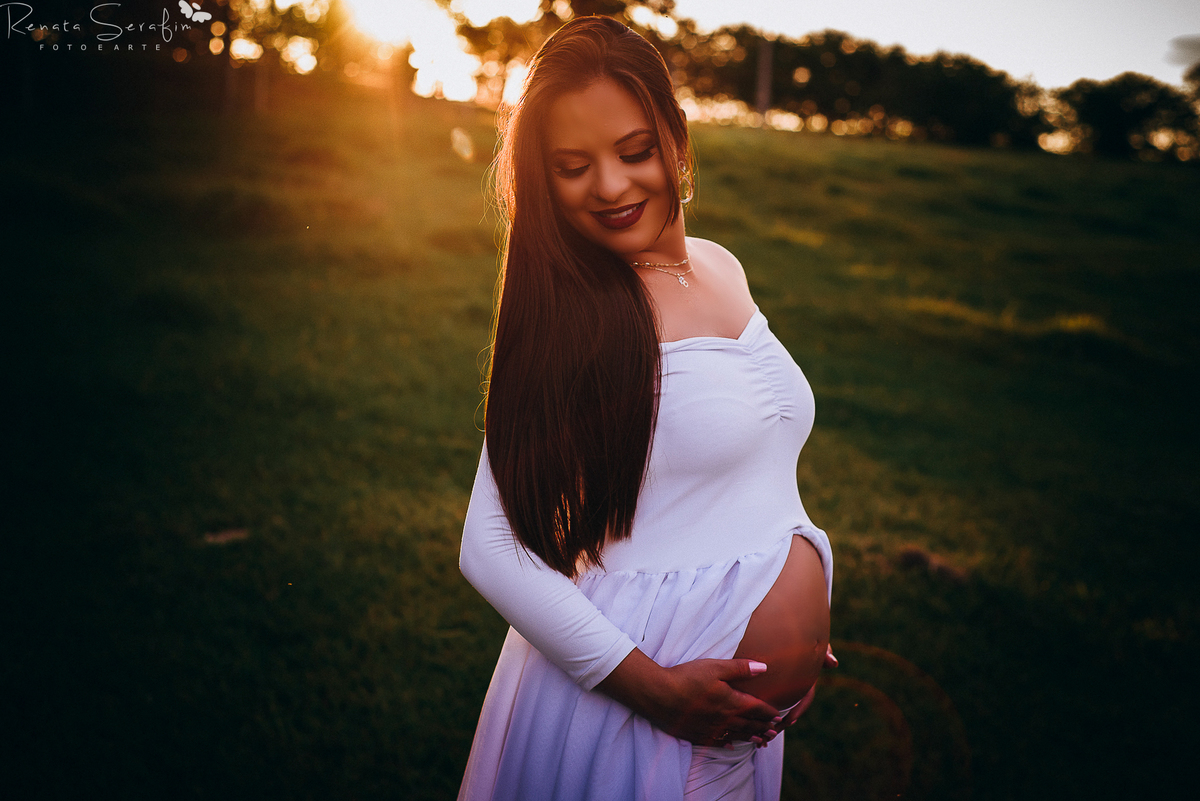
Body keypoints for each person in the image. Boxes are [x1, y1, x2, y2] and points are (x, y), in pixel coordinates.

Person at [458, 16, 835, 801]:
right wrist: (653, 687)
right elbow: (490, 546)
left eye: (633, 151)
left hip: (733, 711)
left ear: (677, 138)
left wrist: (794, 632)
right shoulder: (574, 311)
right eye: (573, 165)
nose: (610, 185)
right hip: (642, 697)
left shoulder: (720, 265)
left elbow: (750, 469)